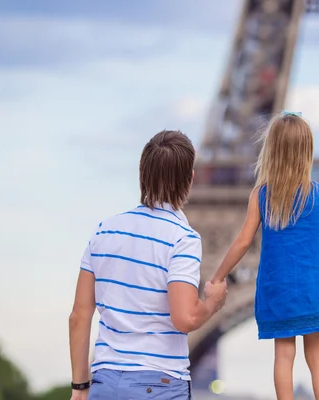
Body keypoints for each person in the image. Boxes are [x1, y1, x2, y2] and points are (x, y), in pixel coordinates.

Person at [68, 130, 227, 400]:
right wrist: (213, 301)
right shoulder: (183, 238)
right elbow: (185, 317)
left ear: (142, 174)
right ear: (190, 178)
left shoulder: (104, 231)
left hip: (105, 383)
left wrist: (80, 387)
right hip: (159, 384)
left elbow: (79, 317)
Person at [210, 111, 319, 400]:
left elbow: (243, 241)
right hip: (313, 290)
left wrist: (219, 275)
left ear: (271, 150)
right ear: (307, 151)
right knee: (318, 359)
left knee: (284, 356)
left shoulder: (261, 195)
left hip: (279, 290)